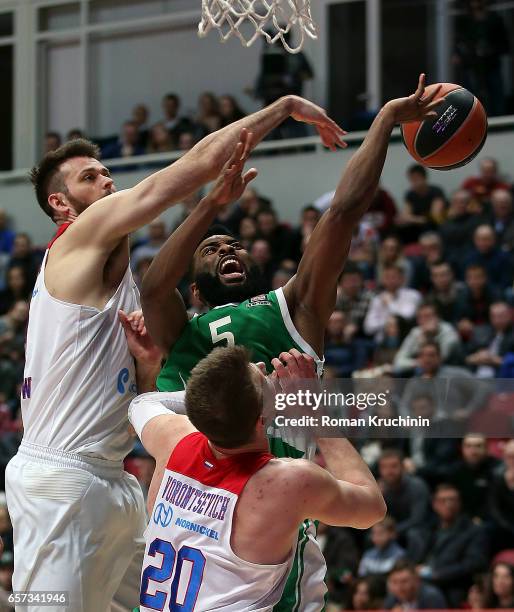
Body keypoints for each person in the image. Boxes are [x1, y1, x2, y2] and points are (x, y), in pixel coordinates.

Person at [5, 94, 343, 612]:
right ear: (60, 203)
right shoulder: (77, 239)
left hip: (112, 479)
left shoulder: (109, 277)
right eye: (90, 177)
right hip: (63, 478)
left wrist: (145, 368)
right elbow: (191, 168)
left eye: (106, 173)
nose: (108, 182)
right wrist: (283, 110)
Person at [141, 74, 443, 611]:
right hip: (227, 510)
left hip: (273, 516)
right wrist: (210, 205)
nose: (226, 248)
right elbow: (154, 286)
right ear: (194, 287)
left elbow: (343, 213)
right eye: (211, 249)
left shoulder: (292, 310)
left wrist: (386, 123)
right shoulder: (179, 333)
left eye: (234, 244)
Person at [128, 346, 385, 611]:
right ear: (262, 418)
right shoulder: (287, 481)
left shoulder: (171, 438)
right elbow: (372, 508)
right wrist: (313, 412)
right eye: (261, 378)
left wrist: (215, 400)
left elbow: (143, 403)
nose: (264, 369)